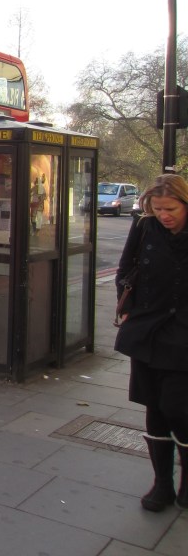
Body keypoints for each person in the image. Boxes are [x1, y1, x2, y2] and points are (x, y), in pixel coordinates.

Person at [113, 173, 188, 512]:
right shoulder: (145, 227)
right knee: (154, 408)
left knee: (179, 408)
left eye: (170, 208)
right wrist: (126, 308)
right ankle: (162, 484)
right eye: (157, 208)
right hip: (147, 329)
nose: (164, 215)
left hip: (183, 333)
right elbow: (126, 267)